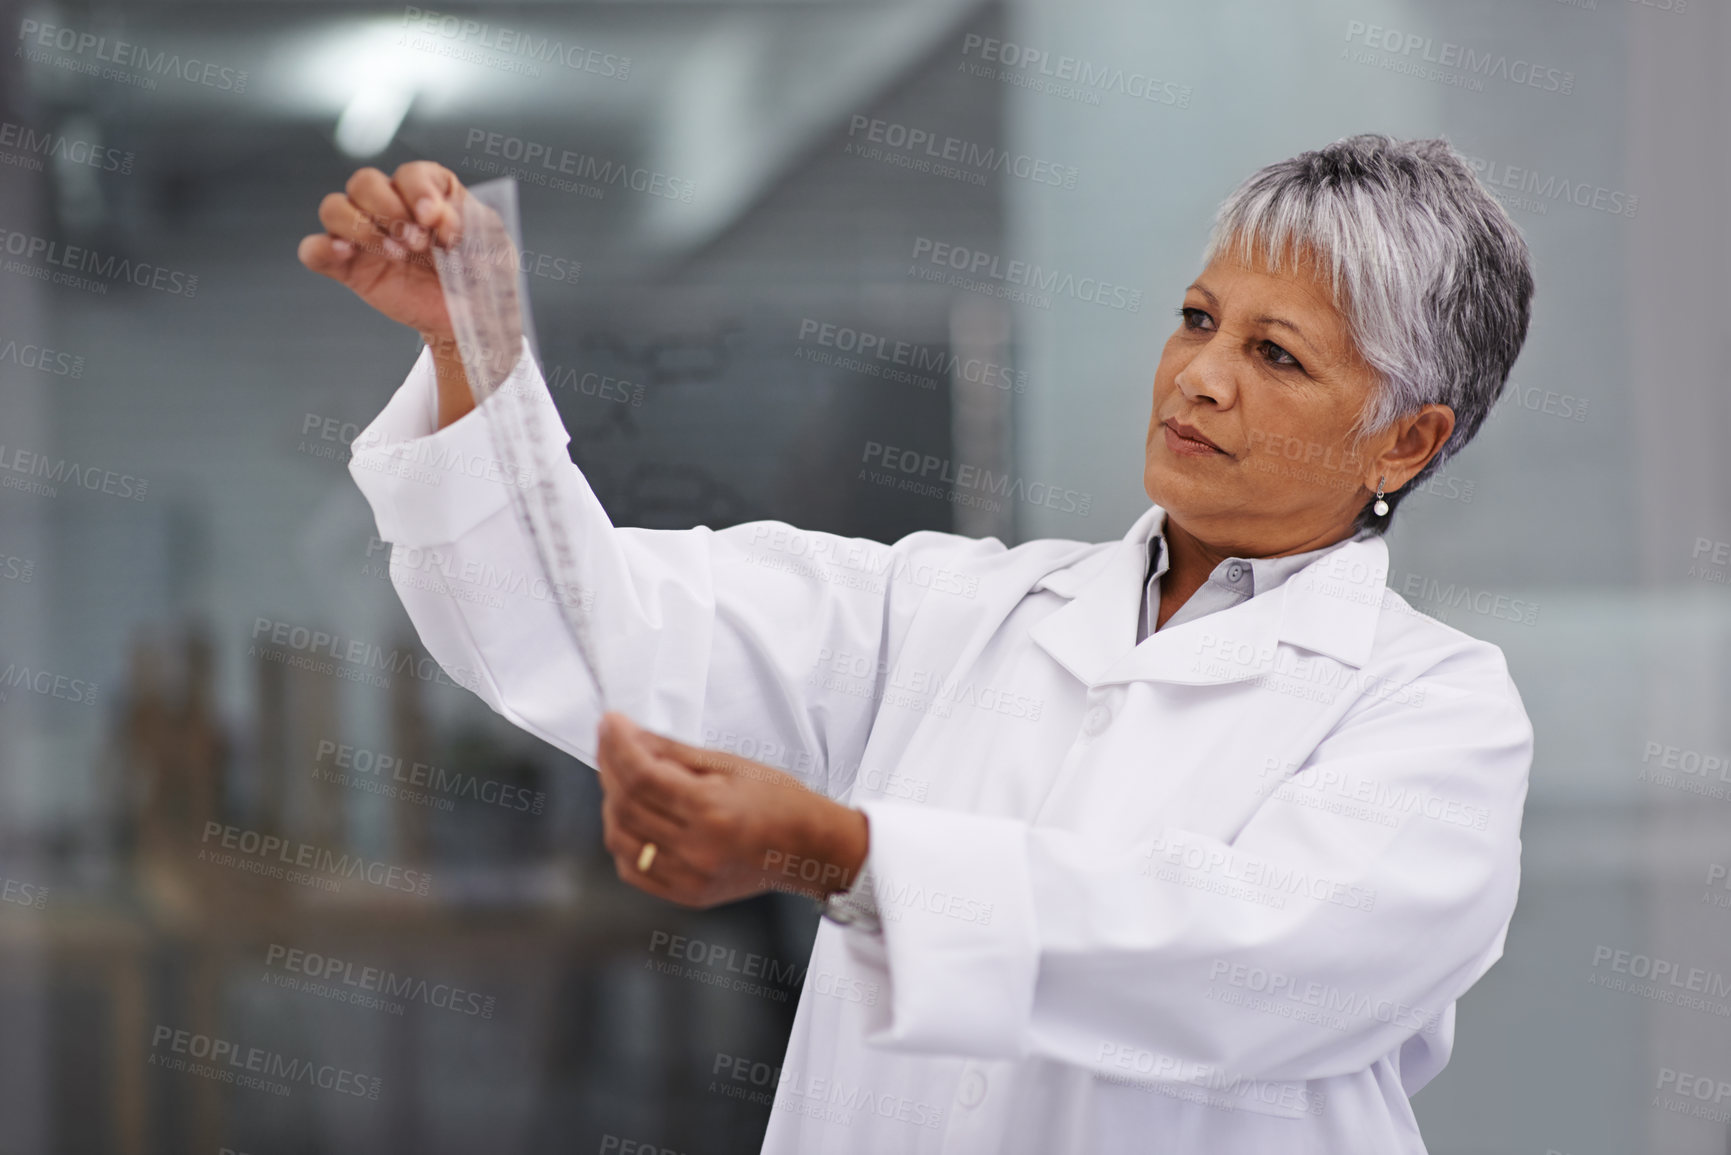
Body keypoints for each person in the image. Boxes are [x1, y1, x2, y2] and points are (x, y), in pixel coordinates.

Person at [298, 132, 1535, 1154]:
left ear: (1406, 441)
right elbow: (592, 624)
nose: (1200, 377)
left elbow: (1258, 959)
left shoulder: (1432, 710)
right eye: (1199, 317)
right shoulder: (950, 613)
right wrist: (476, 350)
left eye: (1275, 354)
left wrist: (848, 854)